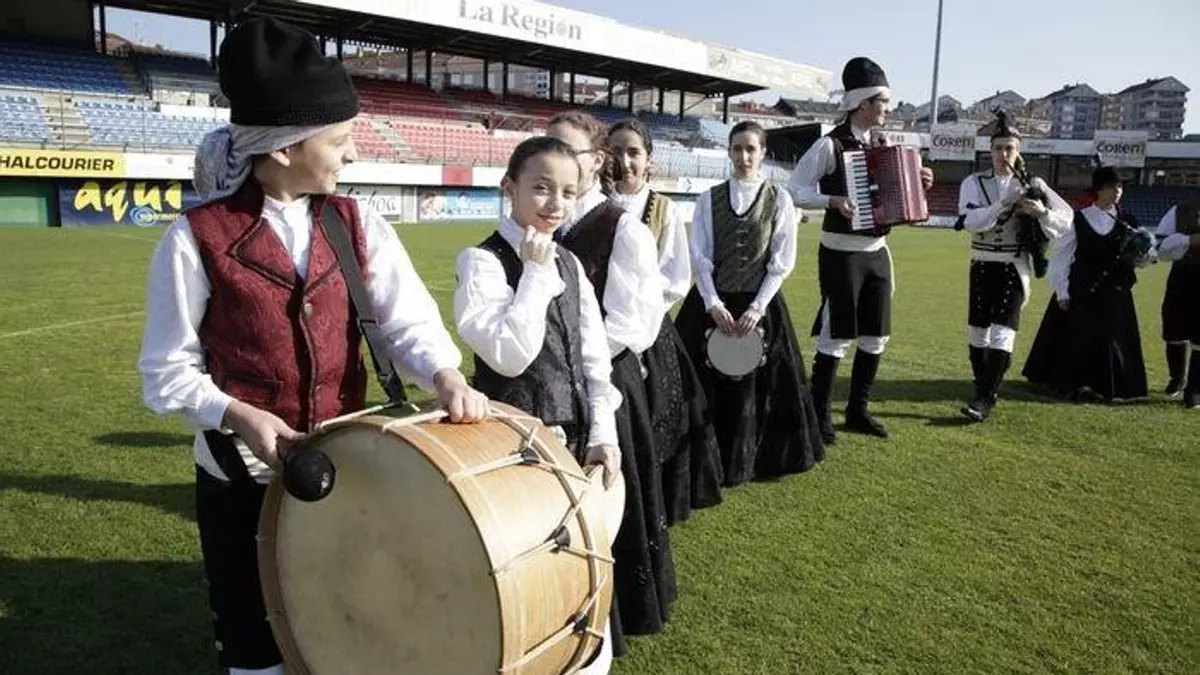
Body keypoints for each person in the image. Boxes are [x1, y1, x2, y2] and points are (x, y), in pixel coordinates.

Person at [135, 17, 488, 675]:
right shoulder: (193, 239)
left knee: (352, 628)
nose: (351, 155)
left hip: (348, 468)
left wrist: (444, 373)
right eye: (339, 139)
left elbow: (406, 322)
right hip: (240, 479)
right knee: (256, 648)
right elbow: (165, 372)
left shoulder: (360, 221)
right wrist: (236, 413)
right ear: (285, 148)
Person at [454, 135, 625, 673]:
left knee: (586, 583)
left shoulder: (570, 262)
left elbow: (594, 360)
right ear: (510, 187)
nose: (555, 203)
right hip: (514, 453)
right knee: (527, 589)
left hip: (575, 447)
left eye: (568, 192)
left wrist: (604, 434)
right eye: (542, 188)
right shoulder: (482, 261)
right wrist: (533, 274)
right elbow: (509, 356)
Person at [545, 110, 675, 654]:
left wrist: (580, 357)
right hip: (551, 384)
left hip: (607, 385)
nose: (552, 159)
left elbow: (636, 323)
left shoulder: (623, 228)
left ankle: (610, 616)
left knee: (608, 504)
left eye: (566, 150)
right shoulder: (544, 221)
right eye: (546, 147)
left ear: (596, 161)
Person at [787, 56, 934, 443]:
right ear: (862, 103)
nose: (887, 108)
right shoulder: (829, 145)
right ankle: (818, 414)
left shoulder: (884, 145)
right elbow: (794, 190)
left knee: (875, 334)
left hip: (878, 251)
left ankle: (857, 411)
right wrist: (832, 201)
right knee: (836, 334)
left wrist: (919, 182)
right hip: (841, 252)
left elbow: (896, 197)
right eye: (882, 101)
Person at [673, 120, 825, 486]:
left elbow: (781, 261)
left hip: (761, 302)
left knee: (759, 384)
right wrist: (712, 303)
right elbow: (700, 257)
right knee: (703, 381)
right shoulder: (709, 199)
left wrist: (758, 308)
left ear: (763, 152)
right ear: (729, 151)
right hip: (714, 301)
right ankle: (707, 458)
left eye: (750, 149)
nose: (743, 156)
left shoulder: (779, 199)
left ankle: (750, 459)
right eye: (737, 149)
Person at [607, 118, 723, 524]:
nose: (624, 161)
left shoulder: (663, 209)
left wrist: (638, 314)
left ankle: (650, 498)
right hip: (599, 329)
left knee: (654, 415)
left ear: (649, 160)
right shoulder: (593, 204)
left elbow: (676, 277)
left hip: (649, 330)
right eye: (615, 151)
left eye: (633, 152)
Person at [956, 110, 1072, 420]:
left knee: (1002, 332)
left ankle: (984, 398)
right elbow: (969, 221)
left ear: (1018, 151)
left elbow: (1066, 219)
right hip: (982, 263)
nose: (1003, 154)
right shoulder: (973, 182)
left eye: (1009, 148)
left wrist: (1041, 212)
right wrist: (1004, 203)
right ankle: (984, 387)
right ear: (989, 150)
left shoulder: (1034, 183)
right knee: (977, 332)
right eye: (998, 148)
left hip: (1014, 266)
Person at [1022, 166, 1153, 401]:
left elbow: (1143, 260)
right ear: (1099, 190)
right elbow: (1062, 256)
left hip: (1115, 289)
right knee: (1078, 337)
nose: (1118, 191)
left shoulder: (1128, 221)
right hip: (1082, 287)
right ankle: (1074, 383)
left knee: (1112, 336)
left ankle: (1110, 385)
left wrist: (1142, 252)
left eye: (1120, 186)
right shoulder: (1079, 218)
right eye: (1112, 186)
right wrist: (1062, 291)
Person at [1154, 200, 1200, 408]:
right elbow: (1160, 247)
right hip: (1183, 277)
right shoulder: (1181, 210)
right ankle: (1177, 379)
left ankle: (1195, 390)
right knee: (1174, 331)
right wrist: (1189, 240)